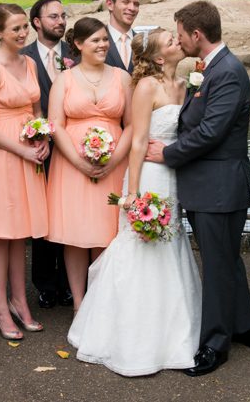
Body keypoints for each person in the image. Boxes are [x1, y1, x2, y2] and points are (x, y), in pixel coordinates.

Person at [68, 27, 201, 376]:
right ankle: (130, 338)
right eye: (171, 41)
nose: (178, 42)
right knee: (141, 248)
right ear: (159, 58)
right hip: (148, 180)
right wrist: (134, 195)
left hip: (172, 176)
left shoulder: (186, 84)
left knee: (170, 246)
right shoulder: (146, 87)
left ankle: (175, 333)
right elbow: (139, 141)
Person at [145, 0, 250, 377]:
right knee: (227, 258)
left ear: (197, 34)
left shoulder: (227, 72)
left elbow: (211, 133)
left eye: (180, 34)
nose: (178, 40)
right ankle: (245, 326)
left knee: (216, 264)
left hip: (219, 188)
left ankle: (215, 344)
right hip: (208, 187)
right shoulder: (211, 70)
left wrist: (167, 153)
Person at [0, 3, 50, 340]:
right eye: (14, 28)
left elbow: (37, 108)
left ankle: (20, 300)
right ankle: (1, 305)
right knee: (0, 235)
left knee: (22, 232)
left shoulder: (29, 62)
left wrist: (43, 137)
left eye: (23, 27)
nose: (22, 33)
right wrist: (21, 149)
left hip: (28, 154)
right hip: (1, 156)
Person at [46, 17, 132, 311]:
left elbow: (131, 125)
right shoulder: (64, 80)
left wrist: (115, 160)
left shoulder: (122, 77)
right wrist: (80, 163)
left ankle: (101, 299)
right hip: (72, 166)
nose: (103, 45)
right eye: (95, 40)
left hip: (113, 164)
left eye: (105, 39)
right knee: (76, 233)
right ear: (79, 45)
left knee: (106, 232)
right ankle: (79, 302)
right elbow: (55, 125)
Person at [20, 0, 73, 310]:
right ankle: (45, 284)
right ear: (36, 22)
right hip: (39, 148)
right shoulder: (22, 58)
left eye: (63, 16)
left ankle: (69, 283)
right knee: (42, 215)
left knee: (69, 214)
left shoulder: (76, 55)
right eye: (53, 16)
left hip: (72, 148)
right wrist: (39, 138)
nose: (60, 21)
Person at [103, 0, 141, 73]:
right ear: (110, 4)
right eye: (126, 2)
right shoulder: (92, 41)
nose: (132, 8)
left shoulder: (145, 44)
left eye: (136, 4)